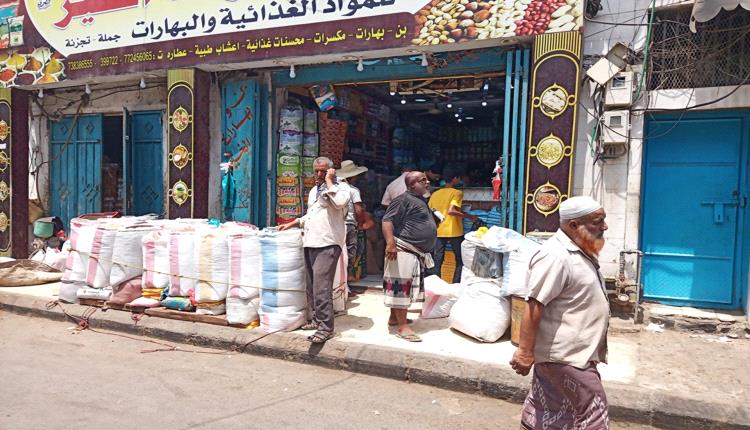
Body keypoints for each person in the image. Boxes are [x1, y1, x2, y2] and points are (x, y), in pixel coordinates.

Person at [509, 196, 610, 430]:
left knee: (552, 409)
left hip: (572, 354)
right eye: (598, 221)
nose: (605, 227)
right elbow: (534, 304)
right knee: (594, 411)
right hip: (567, 356)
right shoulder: (555, 256)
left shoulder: (579, 251)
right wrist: (524, 351)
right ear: (574, 225)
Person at [279, 157, 350, 344]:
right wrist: (293, 223)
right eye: (316, 171)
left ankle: (326, 328)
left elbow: (340, 202)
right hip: (311, 241)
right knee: (311, 286)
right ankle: (317, 319)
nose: (319, 174)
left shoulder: (341, 188)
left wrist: (329, 181)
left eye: (323, 171)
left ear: (331, 171)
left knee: (321, 287)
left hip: (328, 243)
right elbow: (312, 214)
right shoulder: (314, 191)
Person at [381, 171, 437, 342]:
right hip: (402, 249)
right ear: (412, 185)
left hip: (413, 252)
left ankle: (394, 318)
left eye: (426, 179)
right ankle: (402, 327)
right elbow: (387, 220)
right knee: (401, 288)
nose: (427, 182)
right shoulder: (402, 199)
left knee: (401, 287)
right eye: (422, 180)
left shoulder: (420, 200)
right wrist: (390, 244)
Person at [428, 166, 479, 283]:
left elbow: (430, 210)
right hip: (453, 230)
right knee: (460, 260)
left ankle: (435, 284)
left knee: (437, 259)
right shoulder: (457, 193)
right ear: (455, 178)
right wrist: (469, 217)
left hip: (438, 229)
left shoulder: (435, 193)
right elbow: (451, 211)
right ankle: (455, 283)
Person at [335, 160, 370, 282]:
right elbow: (358, 210)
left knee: (338, 249)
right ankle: (348, 276)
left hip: (336, 223)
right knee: (350, 250)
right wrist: (360, 223)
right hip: (349, 223)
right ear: (354, 176)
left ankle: (339, 277)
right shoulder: (353, 190)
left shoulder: (335, 188)